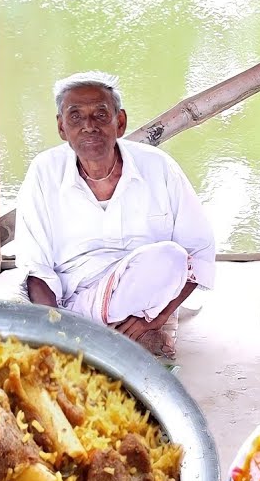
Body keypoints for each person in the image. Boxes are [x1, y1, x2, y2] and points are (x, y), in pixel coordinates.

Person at [16, 71, 216, 359]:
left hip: (147, 298)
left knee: (170, 258)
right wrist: (55, 333)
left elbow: (200, 253)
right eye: (75, 116)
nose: (88, 126)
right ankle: (107, 335)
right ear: (61, 127)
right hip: (75, 302)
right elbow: (36, 269)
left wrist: (159, 318)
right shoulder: (44, 171)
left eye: (100, 115)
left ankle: (108, 336)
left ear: (119, 122)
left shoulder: (158, 167)